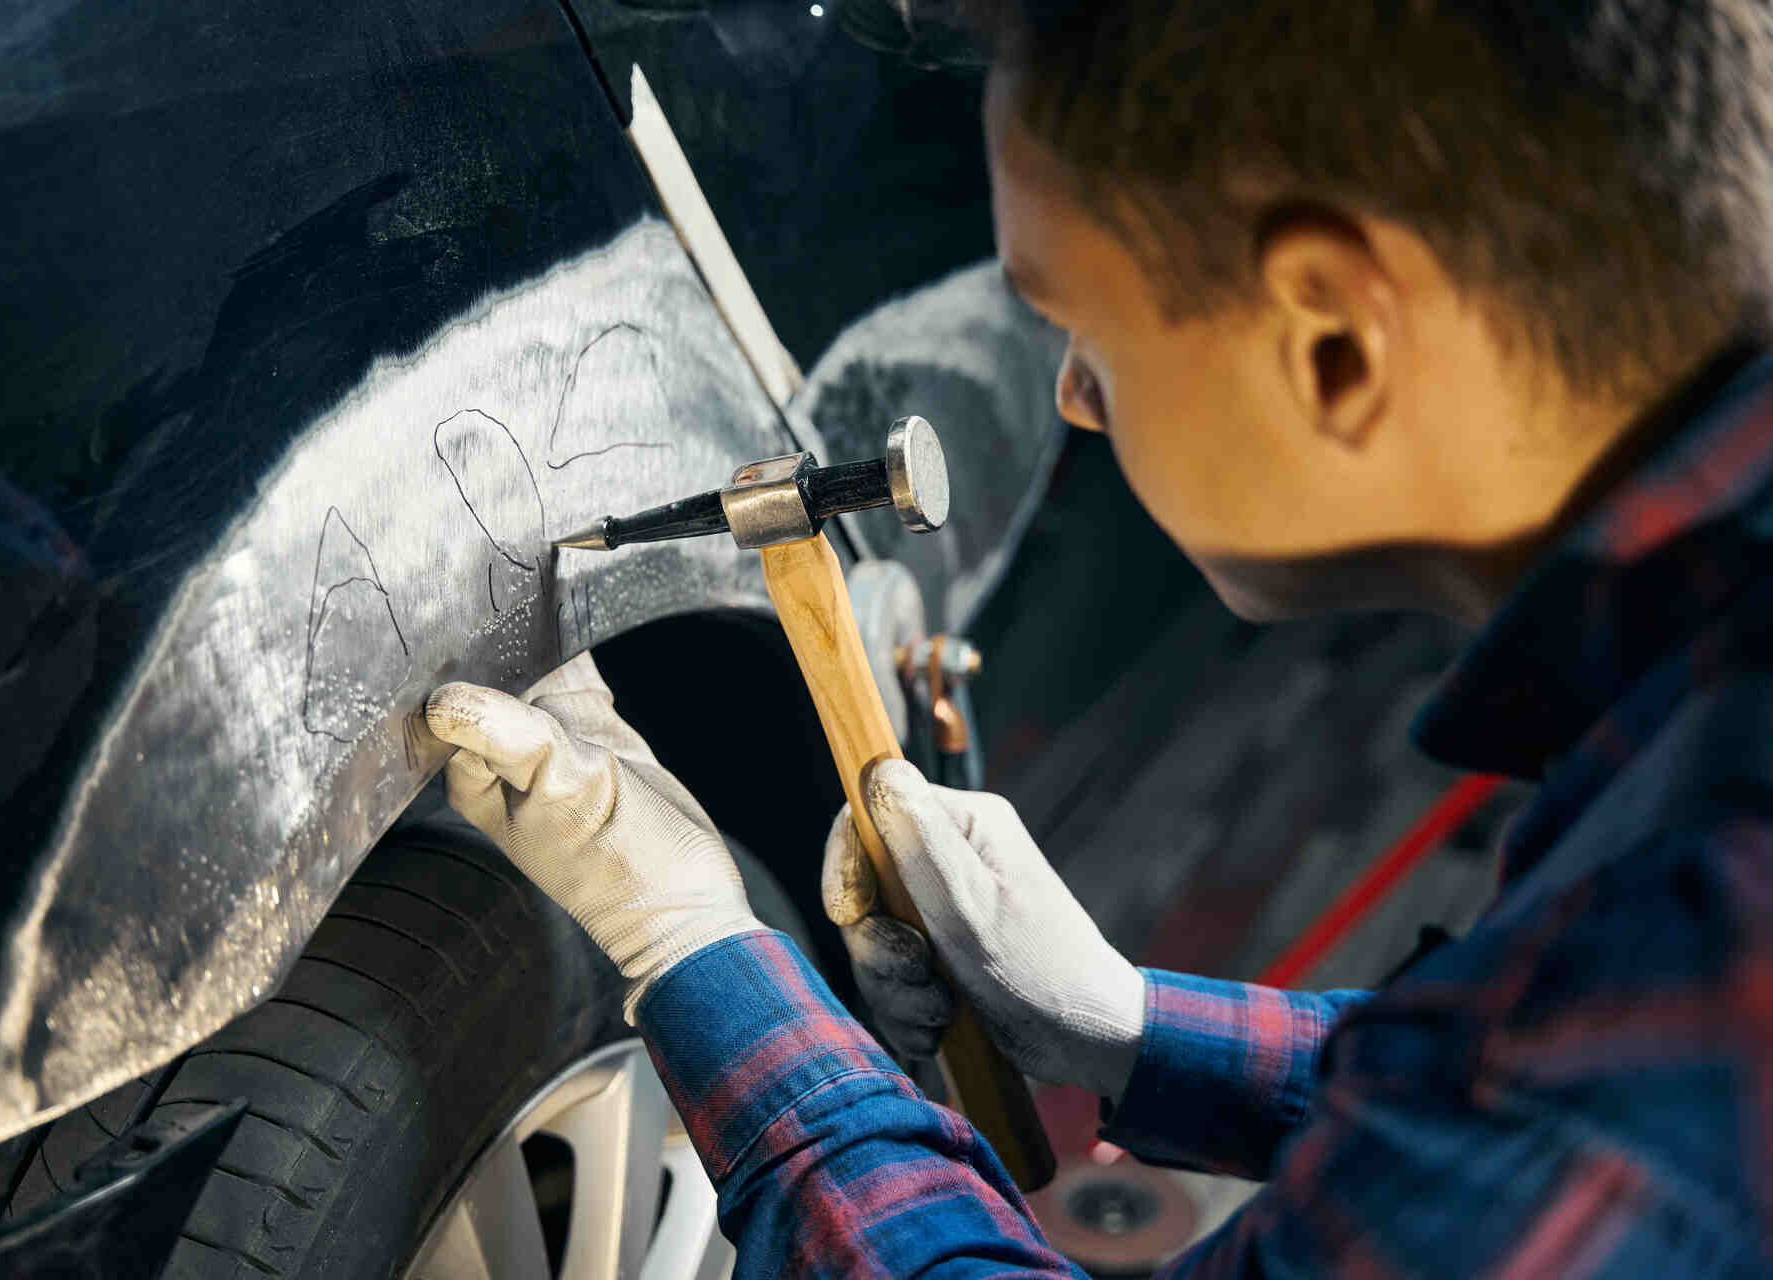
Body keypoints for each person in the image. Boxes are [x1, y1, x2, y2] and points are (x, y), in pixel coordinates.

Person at [424, 1, 1773, 1273]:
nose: (1071, 396)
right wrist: (1127, 1025)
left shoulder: (1686, 976)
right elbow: (1501, 1079)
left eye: (1078, 319)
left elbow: (1543, 1107)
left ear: (1335, 345)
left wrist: (693, 946)